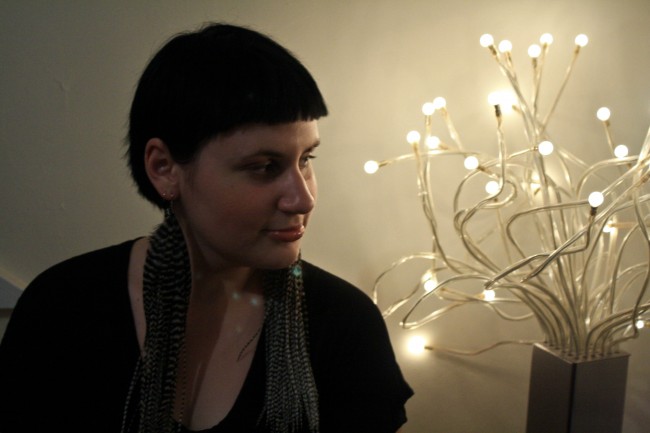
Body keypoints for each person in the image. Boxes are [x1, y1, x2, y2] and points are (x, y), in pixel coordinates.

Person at [0, 22, 413, 433]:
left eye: (307, 160)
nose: (303, 198)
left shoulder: (343, 325)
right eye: (264, 167)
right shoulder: (64, 310)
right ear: (164, 169)